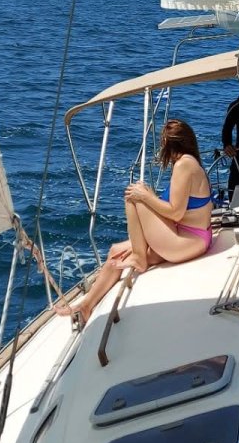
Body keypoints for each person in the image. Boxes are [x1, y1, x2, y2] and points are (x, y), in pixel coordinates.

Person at [54, 118, 213, 328]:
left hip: (188, 240)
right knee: (114, 253)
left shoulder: (184, 165)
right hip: (185, 234)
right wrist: (148, 194)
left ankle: (139, 257)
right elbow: (175, 209)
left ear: (170, 143)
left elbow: (175, 212)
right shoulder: (187, 162)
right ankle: (86, 304)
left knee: (132, 196)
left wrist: (145, 197)